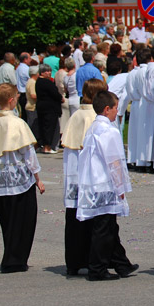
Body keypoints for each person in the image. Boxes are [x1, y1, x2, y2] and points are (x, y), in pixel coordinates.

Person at [0, 83, 45, 273]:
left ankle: (10, 255)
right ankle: (15, 259)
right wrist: (37, 177)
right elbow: (28, 153)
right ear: (12, 100)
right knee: (22, 221)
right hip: (19, 179)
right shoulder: (17, 123)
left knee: (6, 220)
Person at [76, 91, 138, 281]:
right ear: (106, 109)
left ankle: (121, 263)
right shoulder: (109, 131)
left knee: (110, 226)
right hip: (105, 184)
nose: (116, 112)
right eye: (115, 108)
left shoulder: (93, 128)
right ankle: (97, 268)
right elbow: (115, 162)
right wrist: (120, 188)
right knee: (103, 227)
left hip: (93, 181)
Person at [60, 79, 108, 275]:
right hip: (88, 174)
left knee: (74, 220)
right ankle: (91, 259)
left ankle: (74, 261)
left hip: (73, 172)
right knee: (92, 219)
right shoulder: (93, 118)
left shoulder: (77, 114)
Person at [36, 64, 64, 154]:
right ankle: (47, 147)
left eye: (50, 71)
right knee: (49, 127)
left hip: (41, 107)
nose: (49, 73)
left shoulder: (38, 82)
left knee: (43, 127)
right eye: (47, 71)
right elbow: (54, 93)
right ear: (42, 72)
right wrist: (61, 98)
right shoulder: (46, 82)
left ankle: (44, 146)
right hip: (50, 108)